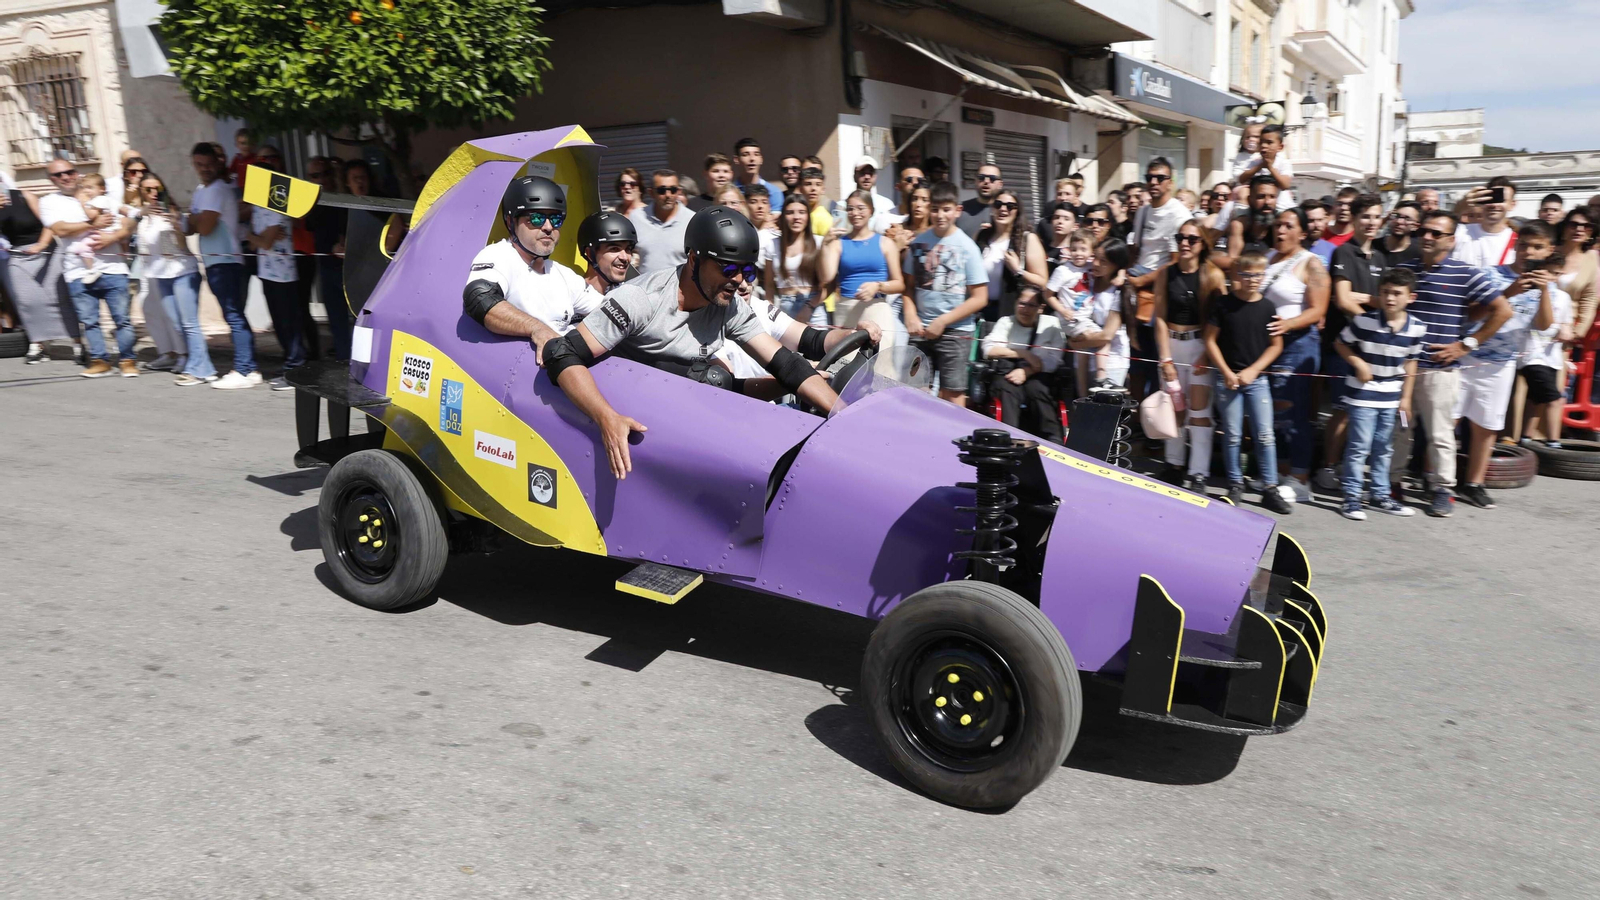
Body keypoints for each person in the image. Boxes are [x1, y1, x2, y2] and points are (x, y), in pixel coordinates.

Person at [539, 207, 839, 479]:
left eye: (747, 271)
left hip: (682, 412)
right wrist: (606, 417)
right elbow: (560, 353)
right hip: (630, 415)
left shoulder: (729, 305)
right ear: (695, 260)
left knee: (716, 380)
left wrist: (841, 413)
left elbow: (786, 363)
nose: (738, 281)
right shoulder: (641, 300)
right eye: (727, 268)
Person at [1394, 210, 1514, 517]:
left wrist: (1465, 345)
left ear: (1452, 240)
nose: (1428, 237)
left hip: (1439, 369)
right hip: (1400, 369)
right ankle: (1392, 483)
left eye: (1436, 233)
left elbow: (1502, 311)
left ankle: (1442, 489)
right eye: (1424, 231)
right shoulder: (1405, 270)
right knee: (1398, 431)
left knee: (1440, 434)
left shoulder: (1466, 273)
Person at [1449, 223, 1561, 509]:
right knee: (1448, 422)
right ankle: (1437, 479)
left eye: (1537, 247)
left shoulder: (1547, 286)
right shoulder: (1491, 274)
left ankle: (1474, 484)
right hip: (1467, 358)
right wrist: (1508, 292)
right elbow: (1472, 315)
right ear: (1515, 246)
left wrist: (1545, 289)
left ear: (1549, 251)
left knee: (1487, 427)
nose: (1529, 252)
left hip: (1502, 364)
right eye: (1524, 245)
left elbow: (1544, 325)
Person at [463, 175, 603, 362]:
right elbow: (479, 299)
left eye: (556, 219)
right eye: (536, 218)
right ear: (511, 222)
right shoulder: (499, 255)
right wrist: (537, 328)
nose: (548, 227)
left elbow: (607, 310)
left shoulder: (563, 274)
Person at [1333, 268, 1427, 520]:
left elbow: (1411, 363)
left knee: (1384, 447)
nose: (1390, 298)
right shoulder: (1364, 321)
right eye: (1386, 292)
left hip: (1392, 395)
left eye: (1397, 293)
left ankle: (1380, 495)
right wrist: (1358, 363)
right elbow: (1340, 343)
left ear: (1411, 298)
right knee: (1359, 446)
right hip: (1363, 394)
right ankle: (1352, 498)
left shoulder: (1417, 328)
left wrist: (1405, 398)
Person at [1204, 249, 1291, 513]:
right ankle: (1235, 484)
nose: (1253, 279)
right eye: (1247, 274)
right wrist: (1226, 372)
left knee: (1265, 434)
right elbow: (1210, 340)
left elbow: (1276, 346)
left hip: (1257, 380)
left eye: (1259, 275)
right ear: (1236, 275)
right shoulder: (1224, 305)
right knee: (1232, 434)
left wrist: (1254, 370)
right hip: (1227, 378)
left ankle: (1269, 487)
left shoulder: (1267, 307)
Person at [1315, 193, 1389, 492]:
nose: (1371, 222)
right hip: (1343, 346)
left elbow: (1386, 301)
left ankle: (1351, 467)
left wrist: (1369, 299)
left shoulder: (1382, 257)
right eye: (1366, 217)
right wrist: (1371, 312)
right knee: (1343, 411)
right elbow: (1344, 301)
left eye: (1376, 216)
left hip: (1372, 348)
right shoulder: (1344, 252)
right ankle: (1327, 467)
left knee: (1365, 412)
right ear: (1354, 220)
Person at [40, 158, 135, 378]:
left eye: (69, 172)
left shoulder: (103, 195)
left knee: (122, 319)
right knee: (90, 321)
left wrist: (114, 235)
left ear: (77, 173)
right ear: (51, 179)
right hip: (77, 271)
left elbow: (128, 222)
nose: (65, 177)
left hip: (113, 268)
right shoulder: (49, 201)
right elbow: (60, 229)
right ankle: (100, 360)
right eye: (58, 175)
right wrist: (93, 225)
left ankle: (128, 359)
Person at [1262, 207, 1331, 501]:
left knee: (1294, 413)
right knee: (1274, 414)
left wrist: (1288, 324)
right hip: (1267, 347)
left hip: (1297, 345)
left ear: (1302, 232)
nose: (1280, 230)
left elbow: (1318, 310)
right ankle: (1283, 473)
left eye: (1288, 226)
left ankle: (1301, 477)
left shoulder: (1311, 264)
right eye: (1278, 225)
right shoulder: (1267, 258)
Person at [1153, 220, 1223, 492]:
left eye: (1192, 239)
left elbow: (1219, 319)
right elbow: (1159, 318)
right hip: (1172, 343)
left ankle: (1198, 472)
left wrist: (1207, 353)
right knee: (1173, 408)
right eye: (1181, 237)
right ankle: (1174, 464)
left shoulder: (1213, 275)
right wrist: (1165, 359)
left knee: (1200, 412)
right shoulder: (1165, 274)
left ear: (1202, 244)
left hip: (1199, 345)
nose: (1184, 243)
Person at [904, 181, 989, 406]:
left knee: (952, 392)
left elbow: (980, 297)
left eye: (946, 209)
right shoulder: (919, 243)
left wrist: (943, 321)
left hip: (956, 332)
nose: (940, 215)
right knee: (916, 389)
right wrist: (911, 315)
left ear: (957, 210)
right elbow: (908, 287)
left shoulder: (968, 247)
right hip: (920, 330)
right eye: (935, 209)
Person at [135, 173, 214, 386]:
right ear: (141, 192)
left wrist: (174, 227)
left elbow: (175, 249)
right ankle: (193, 363)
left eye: (157, 189)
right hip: (160, 275)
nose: (153, 194)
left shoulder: (170, 212)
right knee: (177, 324)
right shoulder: (144, 218)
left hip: (181, 272)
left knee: (189, 323)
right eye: (148, 190)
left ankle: (202, 370)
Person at [1126, 157, 1190, 395]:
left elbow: (1176, 261)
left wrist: (1145, 280)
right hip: (1137, 287)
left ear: (1170, 182)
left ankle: (1155, 415)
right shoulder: (1143, 211)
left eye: (1160, 178)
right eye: (1149, 178)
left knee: (1155, 356)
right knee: (1136, 357)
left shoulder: (1178, 214)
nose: (1153, 182)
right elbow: (1137, 249)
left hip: (1160, 290)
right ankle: (1136, 415)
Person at [246, 152, 303, 390]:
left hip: (283, 274)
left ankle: (296, 368)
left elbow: (265, 242)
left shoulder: (275, 204)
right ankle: (291, 365)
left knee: (288, 323)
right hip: (268, 272)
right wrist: (256, 238)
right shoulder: (259, 206)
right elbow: (259, 241)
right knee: (280, 323)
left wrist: (250, 236)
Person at [2, 173, 72, 365]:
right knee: (26, 301)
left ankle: (78, 341)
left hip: (45, 250)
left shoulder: (24, 196)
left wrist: (41, 244)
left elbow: (49, 223)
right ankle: (37, 343)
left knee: (59, 297)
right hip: (17, 255)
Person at [982, 288, 1065, 443]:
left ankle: (1053, 439)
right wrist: (1024, 354)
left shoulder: (1052, 325)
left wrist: (1027, 371)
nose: (1025, 309)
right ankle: (1009, 438)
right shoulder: (1006, 322)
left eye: (1031, 305)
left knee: (1038, 389)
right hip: (1008, 371)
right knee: (1007, 387)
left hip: (1041, 374)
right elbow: (989, 349)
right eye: (1022, 303)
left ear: (1041, 308)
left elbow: (1054, 360)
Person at [1518, 239, 1575, 449]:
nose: (1553, 278)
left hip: (1552, 356)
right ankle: (1554, 443)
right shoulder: (1529, 294)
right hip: (1531, 354)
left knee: (1536, 399)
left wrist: (1567, 330)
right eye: (1550, 272)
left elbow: (1567, 323)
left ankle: (1525, 438)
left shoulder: (1563, 297)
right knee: (1554, 399)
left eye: (1558, 274)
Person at [821, 190, 904, 330]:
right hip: (846, 309)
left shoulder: (885, 243)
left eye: (860, 208)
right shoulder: (839, 243)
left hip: (877, 307)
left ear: (871, 211)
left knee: (882, 352)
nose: (855, 213)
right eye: (850, 209)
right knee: (847, 352)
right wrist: (825, 245)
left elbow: (899, 284)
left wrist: (878, 286)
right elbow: (827, 276)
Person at [302, 156, 352, 360]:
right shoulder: (312, 199)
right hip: (326, 264)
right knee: (336, 319)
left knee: (360, 318)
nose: (322, 178)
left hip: (350, 266)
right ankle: (344, 361)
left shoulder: (344, 196)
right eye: (316, 175)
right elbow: (308, 224)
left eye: (326, 173)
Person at [975, 189, 1048, 322]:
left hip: (1009, 313)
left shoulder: (1028, 239)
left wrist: (1018, 270)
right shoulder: (982, 236)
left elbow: (1043, 283)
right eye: (998, 204)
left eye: (1010, 206)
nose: (1003, 209)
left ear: (1017, 212)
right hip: (978, 312)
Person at [1073, 238, 1132, 387]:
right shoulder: (1089, 278)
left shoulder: (1118, 291)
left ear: (1116, 265)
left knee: (1104, 405)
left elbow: (1107, 335)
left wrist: (1074, 343)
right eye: (1095, 257)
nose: (1095, 263)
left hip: (1111, 361)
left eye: (1103, 261)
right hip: (1084, 355)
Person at [765, 194, 826, 326]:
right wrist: (769, 312)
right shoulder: (773, 244)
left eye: (802, 212)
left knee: (819, 346)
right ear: (783, 216)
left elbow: (828, 285)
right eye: (790, 212)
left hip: (813, 306)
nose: (796, 217)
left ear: (808, 217)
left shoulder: (819, 243)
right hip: (785, 306)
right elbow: (769, 286)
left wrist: (809, 307)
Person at [628, 169, 689, 274]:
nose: (668, 195)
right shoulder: (636, 217)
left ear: (679, 191)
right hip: (645, 288)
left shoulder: (691, 219)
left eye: (673, 190)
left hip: (679, 288)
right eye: (662, 190)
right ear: (651, 193)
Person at [1452, 176, 1519, 268]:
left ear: (1512, 205)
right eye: (1490, 199)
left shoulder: (1518, 242)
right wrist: (1461, 206)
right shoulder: (1462, 232)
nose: (1494, 205)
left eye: (1500, 200)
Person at [1216, 175, 1278, 270]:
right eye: (1261, 197)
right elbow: (1232, 261)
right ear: (1250, 200)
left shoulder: (1281, 225)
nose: (1267, 202)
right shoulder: (1239, 224)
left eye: (1272, 197)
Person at [576, 209, 637, 296]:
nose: (625, 257)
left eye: (628, 249)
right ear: (589, 254)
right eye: (614, 249)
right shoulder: (573, 299)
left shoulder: (629, 296)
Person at [1238, 124, 1296, 209]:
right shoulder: (1255, 162)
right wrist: (1259, 166)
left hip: (1281, 207)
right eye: (1261, 142)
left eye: (1269, 142)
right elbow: (1242, 179)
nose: (1264, 146)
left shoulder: (1283, 163)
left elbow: (1285, 185)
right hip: (1259, 207)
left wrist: (1270, 168)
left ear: (1280, 147)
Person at [833, 156, 898, 232]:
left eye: (870, 173)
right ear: (854, 176)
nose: (867, 177)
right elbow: (838, 233)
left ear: (875, 177)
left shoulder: (886, 205)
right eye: (862, 173)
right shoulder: (842, 206)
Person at [732, 139, 784, 210]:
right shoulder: (730, 192)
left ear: (761, 159)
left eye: (756, 154)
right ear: (736, 159)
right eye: (745, 155)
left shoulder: (773, 192)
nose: (752, 159)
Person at [1310, 188, 1359, 263]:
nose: (1343, 208)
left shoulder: (1359, 239)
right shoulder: (1319, 233)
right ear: (1334, 207)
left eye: (1350, 204)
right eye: (1339, 204)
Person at [957, 164, 1003, 238]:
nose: (986, 181)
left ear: (1000, 184)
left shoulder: (1006, 211)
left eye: (992, 178)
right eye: (981, 177)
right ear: (975, 181)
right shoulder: (960, 209)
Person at [1383, 201, 1422, 266]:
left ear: (1416, 226)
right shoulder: (1373, 247)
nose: (1399, 221)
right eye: (1396, 216)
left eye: (1407, 219)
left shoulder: (1419, 253)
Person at [1042, 203, 1078, 273]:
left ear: (1075, 226)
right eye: (1056, 217)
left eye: (1066, 219)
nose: (1060, 221)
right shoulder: (1040, 247)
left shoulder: (1076, 253)